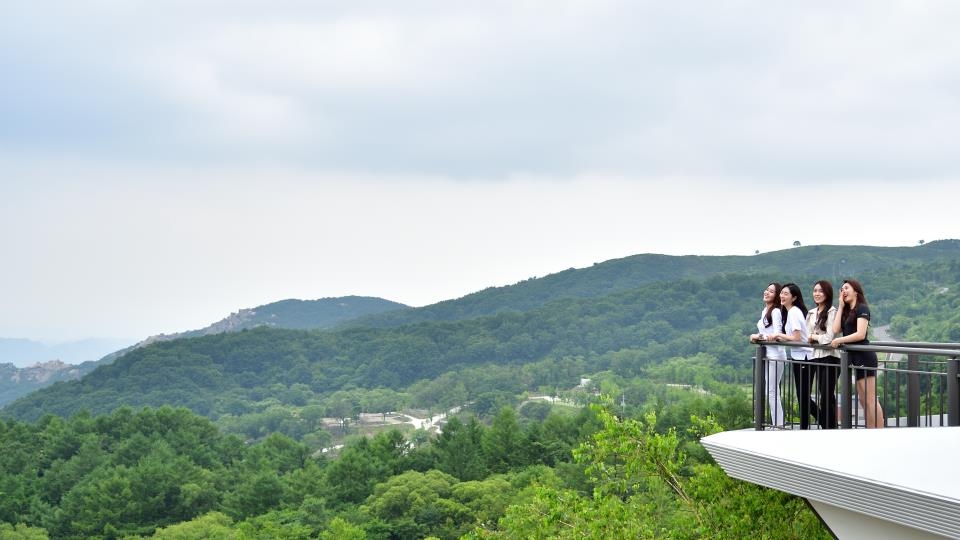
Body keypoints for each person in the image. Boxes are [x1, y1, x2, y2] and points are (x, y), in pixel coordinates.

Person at [831, 279, 885, 428]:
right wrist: (841, 306)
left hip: (864, 356)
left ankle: (880, 431)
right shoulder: (847, 311)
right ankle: (870, 429)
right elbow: (835, 329)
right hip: (855, 357)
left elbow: (861, 334)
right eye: (842, 289)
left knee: (870, 399)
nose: (843, 291)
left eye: (847, 288)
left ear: (856, 291)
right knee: (862, 399)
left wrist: (840, 340)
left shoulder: (862, 308)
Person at [771, 283, 814, 429]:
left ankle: (824, 423)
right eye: (781, 293)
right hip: (799, 356)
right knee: (802, 395)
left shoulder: (794, 312)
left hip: (804, 357)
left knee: (803, 396)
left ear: (794, 297)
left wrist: (779, 335)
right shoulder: (791, 312)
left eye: (786, 294)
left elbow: (796, 337)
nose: (782, 296)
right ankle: (810, 425)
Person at [750, 282, 786, 428]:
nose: (767, 292)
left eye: (771, 291)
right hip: (768, 355)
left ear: (776, 296)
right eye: (766, 290)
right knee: (771, 390)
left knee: (772, 391)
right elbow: (767, 332)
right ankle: (777, 423)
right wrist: (759, 336)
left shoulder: (776, 311)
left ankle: (778, 425)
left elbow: (777, 334)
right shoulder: (766, 310)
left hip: (776, 355)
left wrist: (759, 337)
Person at [807, 280, 839, 429]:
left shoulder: (833, 312)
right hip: (816, 356)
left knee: (826, 395)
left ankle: (829, 428)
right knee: (822, 394)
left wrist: (815, 337)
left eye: (820, 291)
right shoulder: (812, 313)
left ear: (827, 294)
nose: (817, 294)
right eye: (815, 291)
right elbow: (806, 335)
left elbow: (828, 339)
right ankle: (828, 426)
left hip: (831, 357)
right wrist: (812, 337)